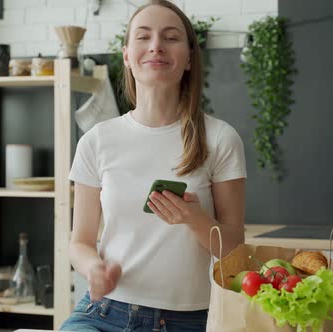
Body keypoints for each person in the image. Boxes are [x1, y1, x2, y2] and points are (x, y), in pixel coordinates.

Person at [60, 1, 246, 331]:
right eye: (143, 37)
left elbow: (235, 252)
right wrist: (94, 269)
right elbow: (80, 243)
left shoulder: (220, 138)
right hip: (103, 313)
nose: (156, 45)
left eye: (170, 37)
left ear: (189, 58)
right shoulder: (96, 140)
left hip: (185, 321)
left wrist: (194, 219)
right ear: (127, 56)